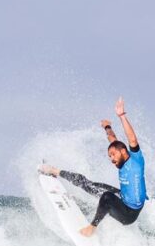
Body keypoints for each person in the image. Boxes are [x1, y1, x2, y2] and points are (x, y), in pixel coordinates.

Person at [39, 97, 147, 237]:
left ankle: (92, 228)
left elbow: (132, 139)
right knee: (90, 185)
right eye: (109, 156)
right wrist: (107, 127)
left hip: (129, 214)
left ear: (123, 151)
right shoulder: (120, 156)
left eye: (113, 155)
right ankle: (55, 171)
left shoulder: (136, 162)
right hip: (122, 197)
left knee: (107, 197)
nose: (111, 159)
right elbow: (113, 140)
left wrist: (121, 116)